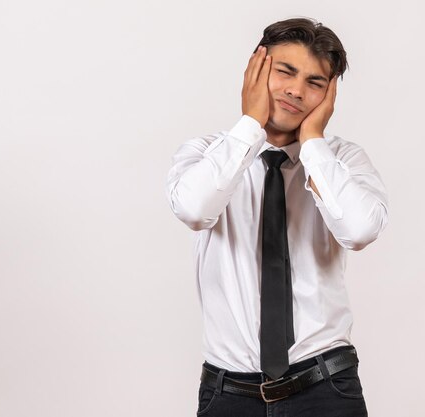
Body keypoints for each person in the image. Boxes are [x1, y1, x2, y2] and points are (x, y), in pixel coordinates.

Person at [166, 17, 389, 417]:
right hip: (228, 394)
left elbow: (358, 231)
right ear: (256, 68)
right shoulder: (205, 154)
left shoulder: (343, 161)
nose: (295, 90)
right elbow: (195, 209)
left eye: (315, 82)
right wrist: (250, 124)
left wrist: (314, 143)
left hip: (326, 388)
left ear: (330, 95)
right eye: (285, 71)